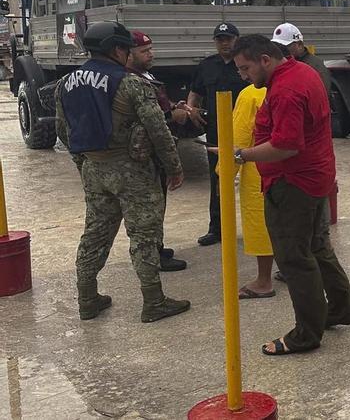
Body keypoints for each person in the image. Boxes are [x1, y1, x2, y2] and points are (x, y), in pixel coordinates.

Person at [226, 35, 350, 355]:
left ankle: (306, 333)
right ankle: (339, 309)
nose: (243, 76)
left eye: (245, 68)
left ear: (265, 60)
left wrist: (241, 154)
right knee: (318, 247)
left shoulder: (286, 90)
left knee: (294, 258)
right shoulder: (303, 71)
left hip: (293, 183)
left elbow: (285, 146)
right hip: (315, 176)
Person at [55, 22, 190, 322]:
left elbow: (63, 131)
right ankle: (153, 302)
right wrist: (174, 168)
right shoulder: (132, 83)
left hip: (94, 168)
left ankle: (88, 299)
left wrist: (86, 164)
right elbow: (159, 130)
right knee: (143, 235)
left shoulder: (66, 84)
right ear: (117, 49)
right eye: (127, 50)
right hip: (132, 170)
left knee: (95, 235)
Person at [124, 31, 189, 272]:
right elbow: (146, 120)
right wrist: (173, 115)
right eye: (145, 51)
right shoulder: (129, 80)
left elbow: (158, 103)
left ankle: (157, 246)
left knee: (158, 203)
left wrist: (174, 105)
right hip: (144, 155)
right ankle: (153, 255)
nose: (151, 54)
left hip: (154, 155)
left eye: (151, 49)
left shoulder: (145, 75)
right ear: (129, 55)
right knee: (149, 210)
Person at [187, 22, 249, 246]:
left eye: (229, 38)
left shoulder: (245, 64)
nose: (225, 43)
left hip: (246, 132)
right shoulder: (207, 66)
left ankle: (259, 227)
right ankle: (217, 228)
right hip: (217, 133)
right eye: (220, 39)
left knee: (254, 179)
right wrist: (191, 109)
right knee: (218, 179)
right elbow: (195, 91)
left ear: (237, 40)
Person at [232, 80, 275, 299]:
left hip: (258, 167)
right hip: (288, 164)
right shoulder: (296, 85)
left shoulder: (250, 95)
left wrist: (225, 172)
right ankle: (289, 269)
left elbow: (239, 138)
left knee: (260, 224)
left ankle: (264, 280)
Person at [270, 23, 332, 96]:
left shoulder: (315, 66)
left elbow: (321, 95)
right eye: (277, 46)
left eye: (285, 46)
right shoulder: (281, 64)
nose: (280, 50)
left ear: (299, 45)